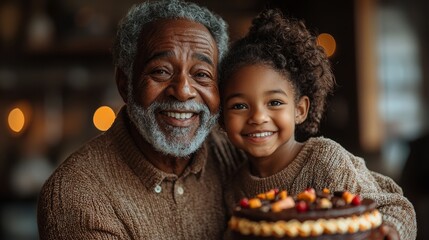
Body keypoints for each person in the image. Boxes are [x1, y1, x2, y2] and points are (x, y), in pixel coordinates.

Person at [37, 1, 245, 239]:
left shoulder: (234, 154)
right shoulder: (78, 193)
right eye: (161, 71)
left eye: (201, 74)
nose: (184, 91)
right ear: (125, 84)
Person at [219, 9, 416, 240]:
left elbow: (397, 207)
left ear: (300, 110)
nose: (258, 117)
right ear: (222, 117)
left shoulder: (325, 161)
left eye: (274, 102)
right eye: (239, 106)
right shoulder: (233, 186)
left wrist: (387, 232)